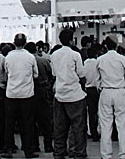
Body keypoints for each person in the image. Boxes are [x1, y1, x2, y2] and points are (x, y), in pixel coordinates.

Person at [51, 29, 87, 159]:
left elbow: (54, 74)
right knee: (78, 127)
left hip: (60, 94)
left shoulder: (54, 55)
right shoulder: (75, 55)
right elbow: (81, 74)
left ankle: (59, 153)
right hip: (75, 95)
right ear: (72, 40)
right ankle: (79, 153)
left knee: (60, 128)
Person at [2, 33, 38, 159]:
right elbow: (36, 75)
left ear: (14, 42)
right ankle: (28, 151)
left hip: (11, 94)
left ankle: (8, 150)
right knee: (27, 124)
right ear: (25, 42)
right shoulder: (30, 57)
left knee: (9, 124)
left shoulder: (8, 57)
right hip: (27, 94)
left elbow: (6, 73)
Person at [96, 36, 125, 159]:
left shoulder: (100, 60)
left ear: (105, 46)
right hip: (120, 91)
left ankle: (105, 155)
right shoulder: (123, 59)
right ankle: (124, 154)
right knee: (123, 123)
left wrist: (101, 87)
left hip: (105, 92)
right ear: (117, 46)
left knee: (105, 124)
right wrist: (124, 88)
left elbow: (97, 80)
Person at [26, 42, 53, 153]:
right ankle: (48, 145)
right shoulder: (44, 61)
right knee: (45, 120)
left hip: (30, 91)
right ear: (36, 50)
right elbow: (51, 75)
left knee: (31, 120)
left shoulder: (26, 62)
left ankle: (34, 145)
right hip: (43, 90)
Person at [83, 47, 100, 142]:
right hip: (97, 90)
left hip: (88, 90)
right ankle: (99, 130)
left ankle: (93, 133)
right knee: (100, 112)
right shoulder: (98, 62)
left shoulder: (84, 64)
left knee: (91, 113)